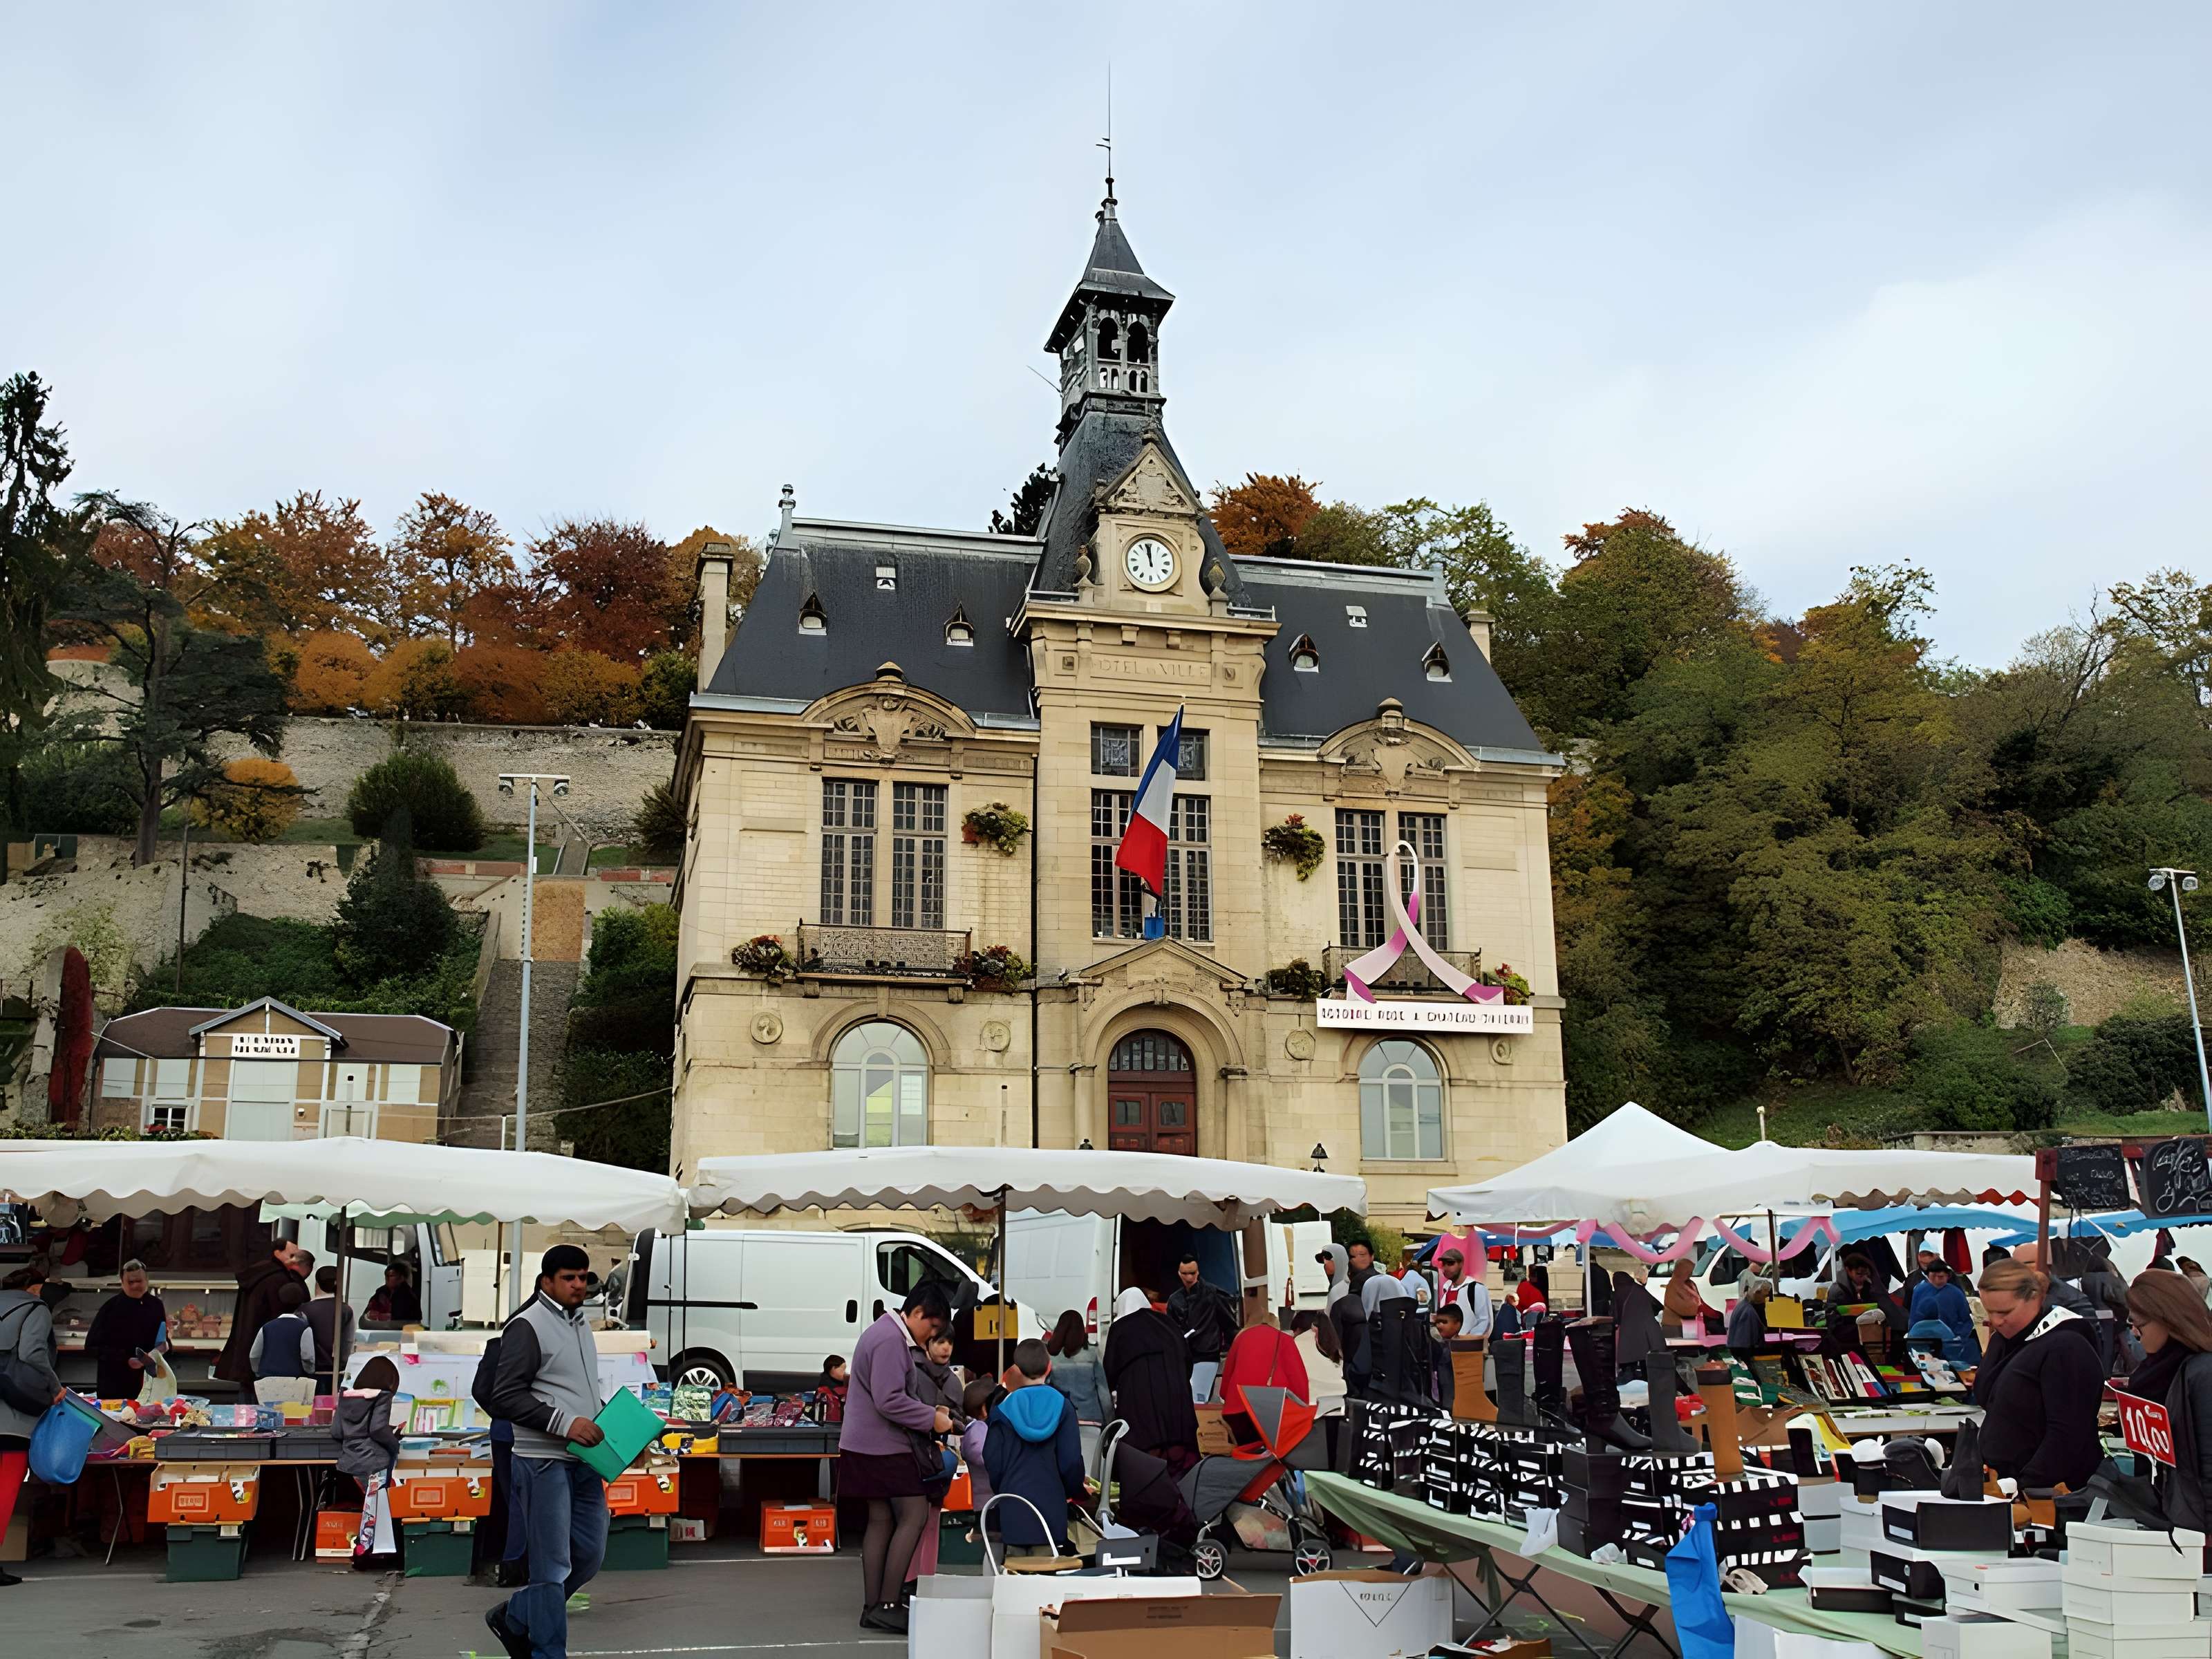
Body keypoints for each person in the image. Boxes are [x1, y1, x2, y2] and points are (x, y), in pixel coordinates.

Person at [483, 1245, 611, 1659]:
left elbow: (579, 1389)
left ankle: (516, 1615)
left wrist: (608, 1425)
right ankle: (547, 1652)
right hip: (542, 1460)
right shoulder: (527, 1325)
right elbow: (505, 1395)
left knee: (588, 1557)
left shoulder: (580, 1323)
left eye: (583, 1277)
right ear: (547, 1281)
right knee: (552, 1567)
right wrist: (565, 1423)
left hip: (585, 1460)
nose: (578, 1285)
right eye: (569, 1278)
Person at [837, 1282, 955, 1635]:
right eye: (932, 1328)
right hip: (883, 1445)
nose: (932, 1336)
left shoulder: (882, 1332)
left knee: (880, 1521)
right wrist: (931, 1418)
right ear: (917, 1314)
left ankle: (874, 1606)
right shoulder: (890, 1340)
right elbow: (889, 1400)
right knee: (914, 1513)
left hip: (863, 1444)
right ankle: (888, 1603)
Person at [1971, 1257, 2104, 1494]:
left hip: (2046, 1493)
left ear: (2034, 1298)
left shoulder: (2067, 1346)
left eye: (2005, 1312)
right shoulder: (2006, 1339)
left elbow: (2068, 1433)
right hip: (2004, 1485)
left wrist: (2028, 1486)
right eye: (1990, 1311)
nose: (1996, 1321)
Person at [2121, 1270, 2212, 1528]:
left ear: (2169, 1319)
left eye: (2139, 1323)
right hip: (2160, 1515)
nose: (2135, 1333)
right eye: (2130, 1324)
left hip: (2195, 1527)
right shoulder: (2151, 1371)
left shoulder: (2202, 1371)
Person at [983, 1338, 1087, 1558]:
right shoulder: (1064, 1407)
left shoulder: (1002, 1410)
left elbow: (992, 1460)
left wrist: (1003, 1490)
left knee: (1016, 1580)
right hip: (1052, 1509)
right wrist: (1068, 1491)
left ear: (1017, 1370)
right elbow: (1071, 1462)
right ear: (1049, 1367)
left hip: (1013, 1507)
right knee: (1045, 1581)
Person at [0, 1266, 63, 1588]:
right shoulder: (35, 1308)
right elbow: (32, 1352)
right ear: (36, 1288)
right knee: (5, 1488)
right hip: (11, 1414)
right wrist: (54, 1387)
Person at [1102, 1286, 1199, 1472]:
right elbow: (1188, 1362)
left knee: (1147, 1466)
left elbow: (1109, 1372)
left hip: (1142, 1408)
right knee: (1180, 1467)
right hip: (1177, 1405)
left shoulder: (1121, 1329)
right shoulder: (1168, 1324)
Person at [336, 1354, 403, 1564]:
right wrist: (394, 1442)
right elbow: (377, 1429)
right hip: (375, 1461)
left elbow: (336, 1431)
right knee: (377, 1511)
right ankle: (369, 1554)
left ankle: (368, 1551)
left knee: (370, 1509)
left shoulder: (346, 1396)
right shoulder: (382, 1396)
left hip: (351, 1461)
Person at [215, 1237, 304, 1387]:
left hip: (247, 1342)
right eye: (291, 1256)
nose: (294, 1261)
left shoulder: (257, 1273)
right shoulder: (278, 1279)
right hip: (267, 1350)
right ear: (277, 1253)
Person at [1219, 1309, 1310, 1443]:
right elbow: (1298, 1381)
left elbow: (1225, 1384)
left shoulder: (1241, 1338)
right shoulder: (1285, 1340)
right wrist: (1303, 1409)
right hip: (1274, 1411)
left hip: (1238, 1410)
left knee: (1247, 1451)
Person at [85, 1259, 167, 1402]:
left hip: (150, 1385)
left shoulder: (156, 1305)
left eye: (139, 1281)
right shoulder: (110, 1308)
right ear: (122, 1283)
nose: (136, 1286)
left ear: (146, 1280)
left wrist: (164, 1348)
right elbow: (91, 1347)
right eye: (131, 1282)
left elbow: (162, 1340)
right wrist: (125, 1360)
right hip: (114, 1386)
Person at [1044, 1310, 1107, 1474]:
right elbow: (1104, 1395)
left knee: (1066, 1474)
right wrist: (1110, 1422)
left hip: (1062, 1422)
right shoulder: (1093, 1354)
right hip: (1092, 1421)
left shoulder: (1051, 1358)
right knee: (1091, 1478)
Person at [1165, 1255, 1237, 1381]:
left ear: (1198, 1272)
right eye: (1185, 1273)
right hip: (1184, 1356)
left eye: (1192, 1273)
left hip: (1207, 1355)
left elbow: (1229, 1325)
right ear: (1179, 1274)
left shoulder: (1213, 1294)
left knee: (1199, 1396)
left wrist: (1231, 1352)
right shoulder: (1174, 1299)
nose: (1189, 1278)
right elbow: (1171, 1330)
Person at [250, 1280, 319, 1400]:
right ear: (300, 1304)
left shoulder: (266, 1327)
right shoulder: (304, 1328)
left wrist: (258, 1372)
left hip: (268, 1382)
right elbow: (308, 1357)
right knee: (293, 1416)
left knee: (269, 1416)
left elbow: (254, 1355)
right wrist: (309, 1372)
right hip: (295, 1381)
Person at [1317, 1244, 1370, 1395]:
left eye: (1328, 1259)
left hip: (1349, 1348)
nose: (1325, 1264)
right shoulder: (1337, 1287)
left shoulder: (1341, 1289)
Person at [1908, 1262, 1980, 1366]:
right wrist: (1912, 1336)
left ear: (1948, 1276)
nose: (1937, 1280)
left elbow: (1967, 1321)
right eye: (1934, 1276)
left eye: (1941, 1277)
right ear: (1928, 1276)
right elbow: (1913, 1317)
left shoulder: (1956, 1293)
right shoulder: (1919, 1290)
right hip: (1922, 1343)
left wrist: (1958, 1338)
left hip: (1950, 1344)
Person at [305, 1266, 358, 1395]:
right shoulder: (345, 1309)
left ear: (317, 1283)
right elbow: (348, 1341)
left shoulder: (304, 1309)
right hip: (336, 1370)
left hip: (311, 1370)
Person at [1289, 1310, 1347, 1416]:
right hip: (1338, 1401)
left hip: (1311, 1406)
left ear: (1298, 1329)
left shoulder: (1300, 1343)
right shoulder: (1334, 1346)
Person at [1436, 1248, 1492, 1338]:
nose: (1446, 1268)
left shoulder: (1476, 1289)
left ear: (1461, 1264)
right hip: (1449, 1347)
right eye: (1444, 1264)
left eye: (1450, 1263)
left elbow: (1485, 1322)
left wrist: (1467, 1339)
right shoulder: (1446, 1290)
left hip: (1470, 1348)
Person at [365, 1264, 423, 1329]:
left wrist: (386, 1317)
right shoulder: (380, 1292)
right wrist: (369, 1314)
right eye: (386, 1275)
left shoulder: (409, 1296)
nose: (387, 1278)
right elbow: (368, 1311)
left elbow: (407, 1319)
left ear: (402, 1278)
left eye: (391, 1275)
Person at [1430, 1302, 1464, 1410]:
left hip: (1450, 1401)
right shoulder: (1441, 1344)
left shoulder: (1454, 1347)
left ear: (1457, 1324)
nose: (1439, 1325)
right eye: (1437, 1322)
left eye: (1444, 1322)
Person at [1727, 1277, 1770, 1356]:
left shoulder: (1743, 1305)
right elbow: (1745, 1342)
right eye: (1764, 1296)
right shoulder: (1748, 1312)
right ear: (1756, 1293)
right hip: (1743, 1354)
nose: (1764, 1300)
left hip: (1737, 1351)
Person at [817, 1355, 848, 1423]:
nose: (845, 1372)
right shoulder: (828, 1387)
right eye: (843, 1369)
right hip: (834, 1424)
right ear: (833, 1368)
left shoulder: (824, 1380)